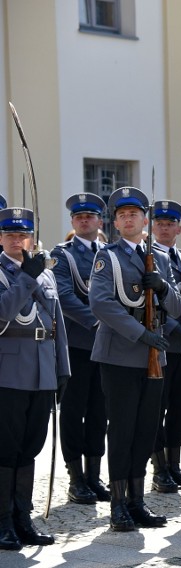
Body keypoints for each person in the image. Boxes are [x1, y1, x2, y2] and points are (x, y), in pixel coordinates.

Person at [89, 187, 181, 531]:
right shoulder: (108, 257)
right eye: (122, 215)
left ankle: (137, 500)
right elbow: (101, 303)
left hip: (154, 356)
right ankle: (118, 506)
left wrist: (161, 287)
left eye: (134, 214)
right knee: (123, 430)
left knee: (146, 430)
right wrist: (139, 333)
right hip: (120, 355)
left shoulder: (157, 257)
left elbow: (175, 305)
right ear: (115, 223)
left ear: (145, 219)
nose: (128, 219)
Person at [0, 206, 70, 550]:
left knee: (30, 448)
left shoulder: (46, 273)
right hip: (9, 371)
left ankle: (22, 517)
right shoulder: (9, 272)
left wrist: (63, 368)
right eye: (10, 234)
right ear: (0, 238)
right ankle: (3, 522)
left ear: (31, 236)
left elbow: (57, 324)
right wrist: (26, 276)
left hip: (43, 371)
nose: (17, 240)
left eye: (22, 234)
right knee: (6, 450)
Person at [52, 193, 110, 505]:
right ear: (73, 222)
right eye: (79, 217)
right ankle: (76, 478)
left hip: (107, 346)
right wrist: (100, 322)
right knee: (74, 411)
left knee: (100, 412)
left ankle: (94, 475)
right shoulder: (63, 255)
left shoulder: (110, 253)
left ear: (100, 221)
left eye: (90, 216)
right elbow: (64, 295)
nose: (84, 220)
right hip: (77, 343)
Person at [149, 200, 181, 492]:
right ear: (154, 227)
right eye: (161, 223)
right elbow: (151, 306)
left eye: (170, 223)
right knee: (160, 406)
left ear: (179, 228)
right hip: (163, 341)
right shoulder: (148, 257)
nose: (165, 228)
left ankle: (175, 463)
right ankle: (159, 468)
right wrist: (175, 328)